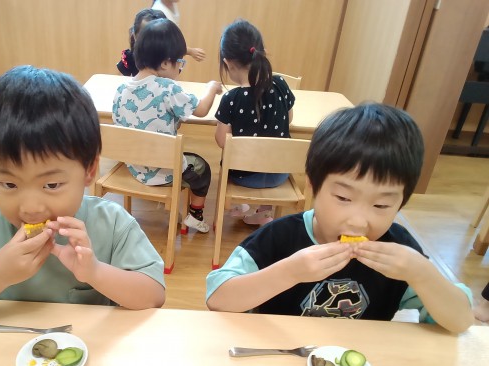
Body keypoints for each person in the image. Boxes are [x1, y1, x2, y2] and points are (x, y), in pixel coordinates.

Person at [0, 65, 166, 330]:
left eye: (51, 184)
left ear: (89, 170)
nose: (30, 208)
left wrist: (94, 272)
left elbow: (154, 295)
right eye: (9, 184)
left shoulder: (112, 223)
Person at [206, 102, 474, 334]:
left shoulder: (399, 250)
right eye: (344, 198)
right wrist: (290, 272)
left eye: (381, 204)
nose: (358, 222)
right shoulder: (279, 237)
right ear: (313, 185)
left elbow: (460, 321)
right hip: (278, 355)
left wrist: (421, 273)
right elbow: (218, 299)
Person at [112, 18, 222, 233]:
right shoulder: (168, 88)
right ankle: (195, 215)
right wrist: (211, 88)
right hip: (163, 171)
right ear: (164, 63)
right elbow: (201, 110)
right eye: (180, 62)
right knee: (203, 168)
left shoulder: (121, 89)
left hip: (133, 166)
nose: (180, 67)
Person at [215, 19, 296, 226]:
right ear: (262, 53)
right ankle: (264, 211)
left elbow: (222, 141)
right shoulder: (280, 84)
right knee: (269, 151)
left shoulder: (231, 99)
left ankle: (241, 204)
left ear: (227, 63)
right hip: (279, 173)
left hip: (244, 176)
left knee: (235, 157)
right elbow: (289, 119)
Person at [117, 8, 166, 77]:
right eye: (146, 37)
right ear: (134, 36)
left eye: (158, 38)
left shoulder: (168, 61)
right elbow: (118, 80)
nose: (152, 44)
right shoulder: (130, 58)